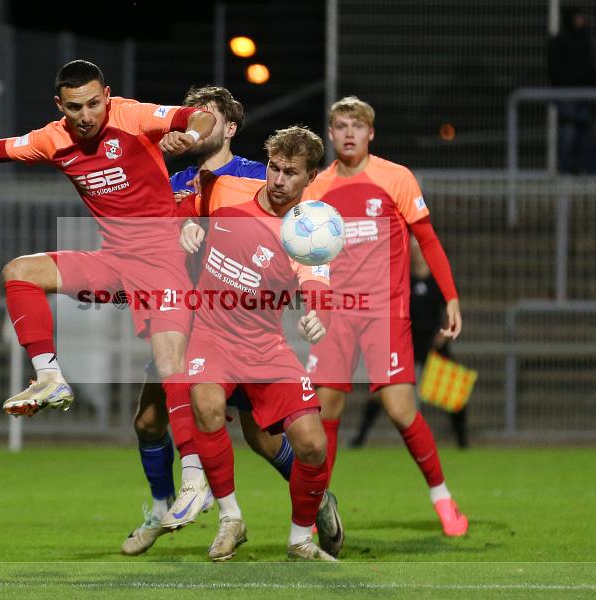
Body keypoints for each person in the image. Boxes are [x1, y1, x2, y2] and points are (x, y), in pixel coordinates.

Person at [0, 60, 216, 454]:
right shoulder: (52, 139)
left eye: (93, 104)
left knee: (170, 375)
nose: (85, 116)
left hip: (164, 262)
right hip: (115, 264)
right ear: (59, 105)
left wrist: (188, 136)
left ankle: (193, 478)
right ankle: (49, 377)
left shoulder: (132, 116)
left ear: (106, 96)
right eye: (74, 108)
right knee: (19, 271)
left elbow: (200, 116)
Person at [123, 85, 296, 556]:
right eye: (191, 116)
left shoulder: (257, 179)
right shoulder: (172, 180)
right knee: (148, 422)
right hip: (183, 323)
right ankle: (171, 510)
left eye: (208, 117)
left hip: (240, 328)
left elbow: (284, 245)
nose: (195, 124)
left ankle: (314, 499)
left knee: (262, 438)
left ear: (231, 128)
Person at [303, 96, 469, 537]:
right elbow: (309, 256)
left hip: (384, 313)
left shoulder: (396, 177)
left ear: (371, 133)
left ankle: (442, 497)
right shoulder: (317, 188)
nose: (350, 132)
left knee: (399, 410)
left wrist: (450, 297)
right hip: (336, 315)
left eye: (358, 125)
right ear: (331, 133)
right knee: (325, 412)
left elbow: (428, 241)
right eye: (341, 125)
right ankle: (320, 514)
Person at [175, 125, 338, 561]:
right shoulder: (226, 187)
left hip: (265, 345)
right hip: (211, 334)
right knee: (206, 406)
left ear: (310, 177)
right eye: (274, 167)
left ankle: (301, 539)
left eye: (291, 172)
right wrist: (188, 225)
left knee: (312, 444)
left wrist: (316, 312)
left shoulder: (310, 228)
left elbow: (315, 279)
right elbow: (183, 203)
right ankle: (231, 519)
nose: (279, 179)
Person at [350, 239, 469, 449]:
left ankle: (463, 443)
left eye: (419, 250)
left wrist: (443, 335)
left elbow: (450, 311)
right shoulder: (402, 279)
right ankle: (360, 438)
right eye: (412, 250)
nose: (415, 254)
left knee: (455, 390)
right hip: (406, 343)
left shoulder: (437, 280)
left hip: (433, 343)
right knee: (380, 390)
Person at [547, 5, 596, 174]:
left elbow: (591, 68)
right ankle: (566, 172)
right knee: (567, 135)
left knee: (586, 136)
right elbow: (555, 69)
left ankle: (588, 173)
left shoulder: (584, 40)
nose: (581, 21)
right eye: (578, 17)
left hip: (584, 95)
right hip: (567, 95)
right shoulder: (560, 41)